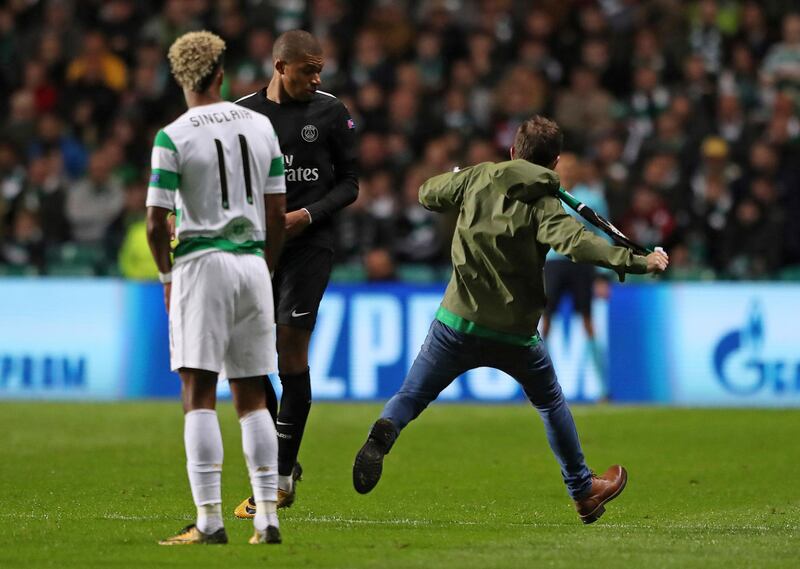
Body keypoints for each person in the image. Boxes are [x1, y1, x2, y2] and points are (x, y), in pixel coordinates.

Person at [352, 116, 669, 524]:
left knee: (412, 394)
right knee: (550, 402)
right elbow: (577, 244)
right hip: (515, 334)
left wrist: (458, 176)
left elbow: (427, 193)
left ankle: (386, 429)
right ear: (554, 163)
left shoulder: (478, 177)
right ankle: (582, 490)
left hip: (456, 322)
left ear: (513, 151)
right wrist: (636, 262)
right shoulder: (544, 203)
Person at [145, 31, 287, 545]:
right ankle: (267, 515)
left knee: (198, 391)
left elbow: (155, 223)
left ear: (180, 76)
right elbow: (276, 213)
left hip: (201, 264)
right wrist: (264, 269)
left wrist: (166, 277)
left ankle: (209, 520)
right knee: (251, 393)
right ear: (220, 74)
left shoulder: (173, 136)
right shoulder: (260, 125)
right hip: (252, 264)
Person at [233, 29, 358, 517]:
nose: (317, 77)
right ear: (280, 66)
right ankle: (287, 460)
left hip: (310, 245)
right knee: (241, 355)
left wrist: (306, 215)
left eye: (320, 69)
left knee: (290, 349)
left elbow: (350, 183)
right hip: (257, 247)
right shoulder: (243, 114)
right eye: (308, 68)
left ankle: (280, 478)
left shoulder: (332, 112)